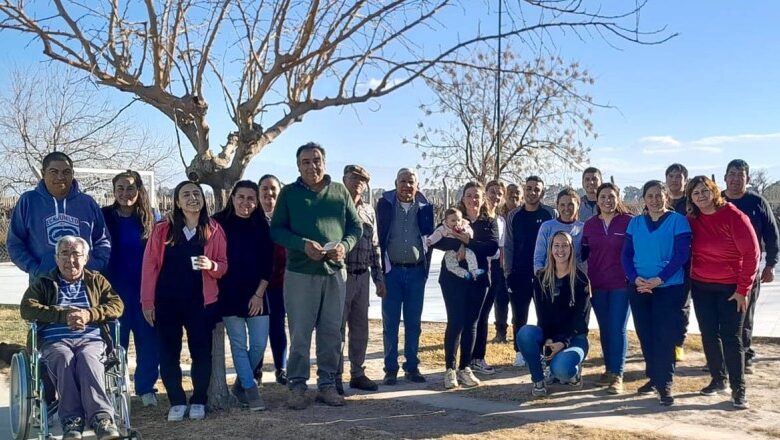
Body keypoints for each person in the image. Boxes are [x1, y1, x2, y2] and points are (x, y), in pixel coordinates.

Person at [270, 142, 362, 409]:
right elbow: (277, 230)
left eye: (317, 160)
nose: (312, 166)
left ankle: (327, 385)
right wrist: (302, 245)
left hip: (334, 273)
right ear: (298, 166)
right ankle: (297, 386)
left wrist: (344, 246)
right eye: (306, 161)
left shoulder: (339, 192)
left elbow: (355, 227)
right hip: (300, 273)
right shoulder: (289, 193)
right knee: (300, 334)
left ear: (325, 162)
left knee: (332, 333)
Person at [20, 235, 123, 440]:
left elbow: (117, 305)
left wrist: (89, 314)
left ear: (86, 258)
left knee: (87, 359)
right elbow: (27, 308)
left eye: (76, 254)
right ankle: (72, 420)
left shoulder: (96, 280)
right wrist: (63, 315)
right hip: (55, 341)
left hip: (91, 339)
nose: (71, 260)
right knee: (64, 358)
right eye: (65, 254)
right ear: (56, 258)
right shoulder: (44, 282)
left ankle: (101, 419)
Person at [141, 180, 227, 421]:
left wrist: (211, 266)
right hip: (166, 302)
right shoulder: (163, 230)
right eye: (186, 194)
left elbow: (223, 266)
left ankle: (199, 400)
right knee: (169, 352)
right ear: (177, 202)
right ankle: (177, 401)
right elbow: (149, 266)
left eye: (196, 193)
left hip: (200, 303)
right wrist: (147, 301)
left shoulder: (214, 229)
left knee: (201, 352)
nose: (192, 198)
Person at [687, 175, 759, 409]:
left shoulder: (734, 216)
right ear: (691, 198)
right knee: (709, 335)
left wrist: (743, 289)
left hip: (731, 288)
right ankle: (719, 379)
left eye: (704, 191)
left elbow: (752, 254)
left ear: (714, 191)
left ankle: (739, 389)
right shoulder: (692, 219)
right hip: (701, 286)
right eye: (695, 193)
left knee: (731, 337)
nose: (701, 196)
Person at [621, 180, 691, 406]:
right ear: (644, 199)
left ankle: (665, 383)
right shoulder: (635, 223)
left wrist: (659, 279)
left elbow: (681, 255)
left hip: (668, 288)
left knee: (664, 336)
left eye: (658, 195)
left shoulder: (678, 221)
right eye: (649, 196)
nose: (654, 200)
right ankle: (653, 377)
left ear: (666, 197)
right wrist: (634, 278)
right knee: (646, 335)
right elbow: (626, 255)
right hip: (640, 287)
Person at [213, 180, 274, 411]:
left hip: (258, 293)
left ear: (256, 202)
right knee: (238, 344)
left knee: (258, 344)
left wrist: (259, 294)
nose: (245, 203)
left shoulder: (262, 225)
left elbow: (269, 263)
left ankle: (241, 383)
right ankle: (250, 390)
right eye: (241, 197)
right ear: (232, 198)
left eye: (250, 198)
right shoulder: (218, 222)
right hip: (229, 293)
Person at [431, 182, 498, 389]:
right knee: (455, 322)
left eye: (477, 196)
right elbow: (437, 240)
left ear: (483, 198)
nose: (473, 200)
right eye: (469, 195)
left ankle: (465, 367)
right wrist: (457, 244)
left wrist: (468, 242)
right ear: (463, 198)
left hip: (478, 279)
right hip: (453, 279)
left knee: (472, 323)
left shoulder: (489, 222)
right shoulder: (454, 217)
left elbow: (492, 247)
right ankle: (450, 369)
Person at [101, 170, 159, 407]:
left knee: (148, 342)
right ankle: (115, 388)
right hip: (113, 291)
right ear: (114, 191)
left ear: (139, 190)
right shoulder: (104, 216)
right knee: (115, 342)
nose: (125, 193)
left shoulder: (151, 217)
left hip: (144, 291)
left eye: (131, 188)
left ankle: (146, 388)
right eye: (120, 188)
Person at [8, 151, 111, 280]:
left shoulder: (87, 203)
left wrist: (94, 266)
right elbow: (15, 243)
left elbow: (102, 240)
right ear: (43, 173)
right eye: (54, 172)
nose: (60, 177)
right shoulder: (28, 201)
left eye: (66, 172)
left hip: (84, 282)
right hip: (44, 282)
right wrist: (36, 269)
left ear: (73, 174)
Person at [376, 168, 435, 385]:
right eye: (403, 181)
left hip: (416, 272)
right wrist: (379, 272)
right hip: (391, 272)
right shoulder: (384, 205)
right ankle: (390, 368)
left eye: (411, 182)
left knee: (413, 323)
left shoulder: (425, 207)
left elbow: (430, 237)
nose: (407, 186)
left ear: (417, 186)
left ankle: (412, 366)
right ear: (395, 183)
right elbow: (379, 236)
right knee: (390, 323)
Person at [516, 231, 591, 397]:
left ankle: (572, 373)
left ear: (571, 249)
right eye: (556, 245)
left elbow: (580, 319)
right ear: (550, 249)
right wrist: (549, 339)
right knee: (525, 333)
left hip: (574, 337)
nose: (560, 250)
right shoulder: (541, 278)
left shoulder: (581, 279)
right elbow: (542, 314)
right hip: (550, 334)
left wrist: (563, 342)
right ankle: (538, 380)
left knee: (561, 369)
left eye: (565, 245)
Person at [722, 159, 779, 374]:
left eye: (741, 175)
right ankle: (720, 358)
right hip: (718, 270)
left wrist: (771, 264)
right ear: (725, 177)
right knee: (719, 316)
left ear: (748, 179)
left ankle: (744, 355)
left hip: (748, 269)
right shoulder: (716, 201)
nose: (736, 179)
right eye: (732, 174)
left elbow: (772, 234)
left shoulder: (757, 202)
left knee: (744, 314)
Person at [336, 165, 386, 393]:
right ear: (344, 179)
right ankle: (334, 376)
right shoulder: (335, 207)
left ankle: (357, 373)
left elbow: (374, 246)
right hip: (340, 275)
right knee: (336, 329)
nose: (358, 182)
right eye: (353, 178)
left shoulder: (368, 211)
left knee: (360, 329)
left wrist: (379, 278)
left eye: (362, 180)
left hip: (362, 276)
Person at [581, 183, 633, 394]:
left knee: (617, 327)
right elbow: (583, 253)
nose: (607, 201)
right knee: (604, 327)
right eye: (603, 197)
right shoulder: (590, 225)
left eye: (611, 196)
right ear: (597, 199)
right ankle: (609, 370)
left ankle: (617, 374)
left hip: (622, 284)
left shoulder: (629, 221)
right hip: (598, 284)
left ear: (618, 198)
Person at [504, 176, 556, 367]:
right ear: (524, 191)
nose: (532, 192)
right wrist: (508, 273)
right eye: (529, 188)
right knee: (519, 315)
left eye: (536, 189)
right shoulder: (514, 215)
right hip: (519, 273)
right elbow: (509, 245)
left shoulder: (550, 213)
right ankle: (520, 352)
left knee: (546, 315)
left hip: (545, 274)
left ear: (542, 193)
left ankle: (544, 352)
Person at [254, 174, 288, 385]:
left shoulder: (285, 219)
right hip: (256, 284)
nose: (269, 193)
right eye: (264, 189)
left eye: (273, 188)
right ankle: (256, 370)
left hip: (280, 283)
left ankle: (281, 368)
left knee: (277, 326)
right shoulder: (253, 219)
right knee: (257, 330)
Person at [472, 180, 506, 373]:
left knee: (484, 314)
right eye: (492, 192)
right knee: (475, 314)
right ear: (485, 193)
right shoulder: (480, 218)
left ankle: (479, 357)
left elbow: (501, 248)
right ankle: (470, 357)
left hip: (495, 269)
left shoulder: (500, 220)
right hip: (479, 267)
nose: (496, 196)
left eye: (499, 193)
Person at [665, 163, 691, 362]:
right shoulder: (660, 201)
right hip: (661, 262)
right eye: (671, 176)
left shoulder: (691, 203)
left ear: (685, 180)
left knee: (682, 305)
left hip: (686, 262)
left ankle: (678, 343)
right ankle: (664, 341)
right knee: (665, 305)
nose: (674, 180)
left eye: (678, 176)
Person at [533, 188, 584, 272]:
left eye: (570, 204)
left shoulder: (583, 228)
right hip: (549, 275)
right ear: (557, 206)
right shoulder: (547, 227)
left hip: (574, 276)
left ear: (578, 205)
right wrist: (539, 275)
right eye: (562, 205)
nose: (566, 208)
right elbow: (539, 256)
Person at [426, 208, 482, 280]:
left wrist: (466, 233)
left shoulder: (464, 226)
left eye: (459, 220)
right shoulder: (444, 228)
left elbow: (470, 231)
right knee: (450, 265)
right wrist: (430, 240)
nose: (456, 223)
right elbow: (436, 235)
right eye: (453, 221)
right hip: (450, 250)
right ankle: (464, 274)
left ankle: (474, 270)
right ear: (446, 221)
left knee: (471, 254)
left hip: (465, 249)